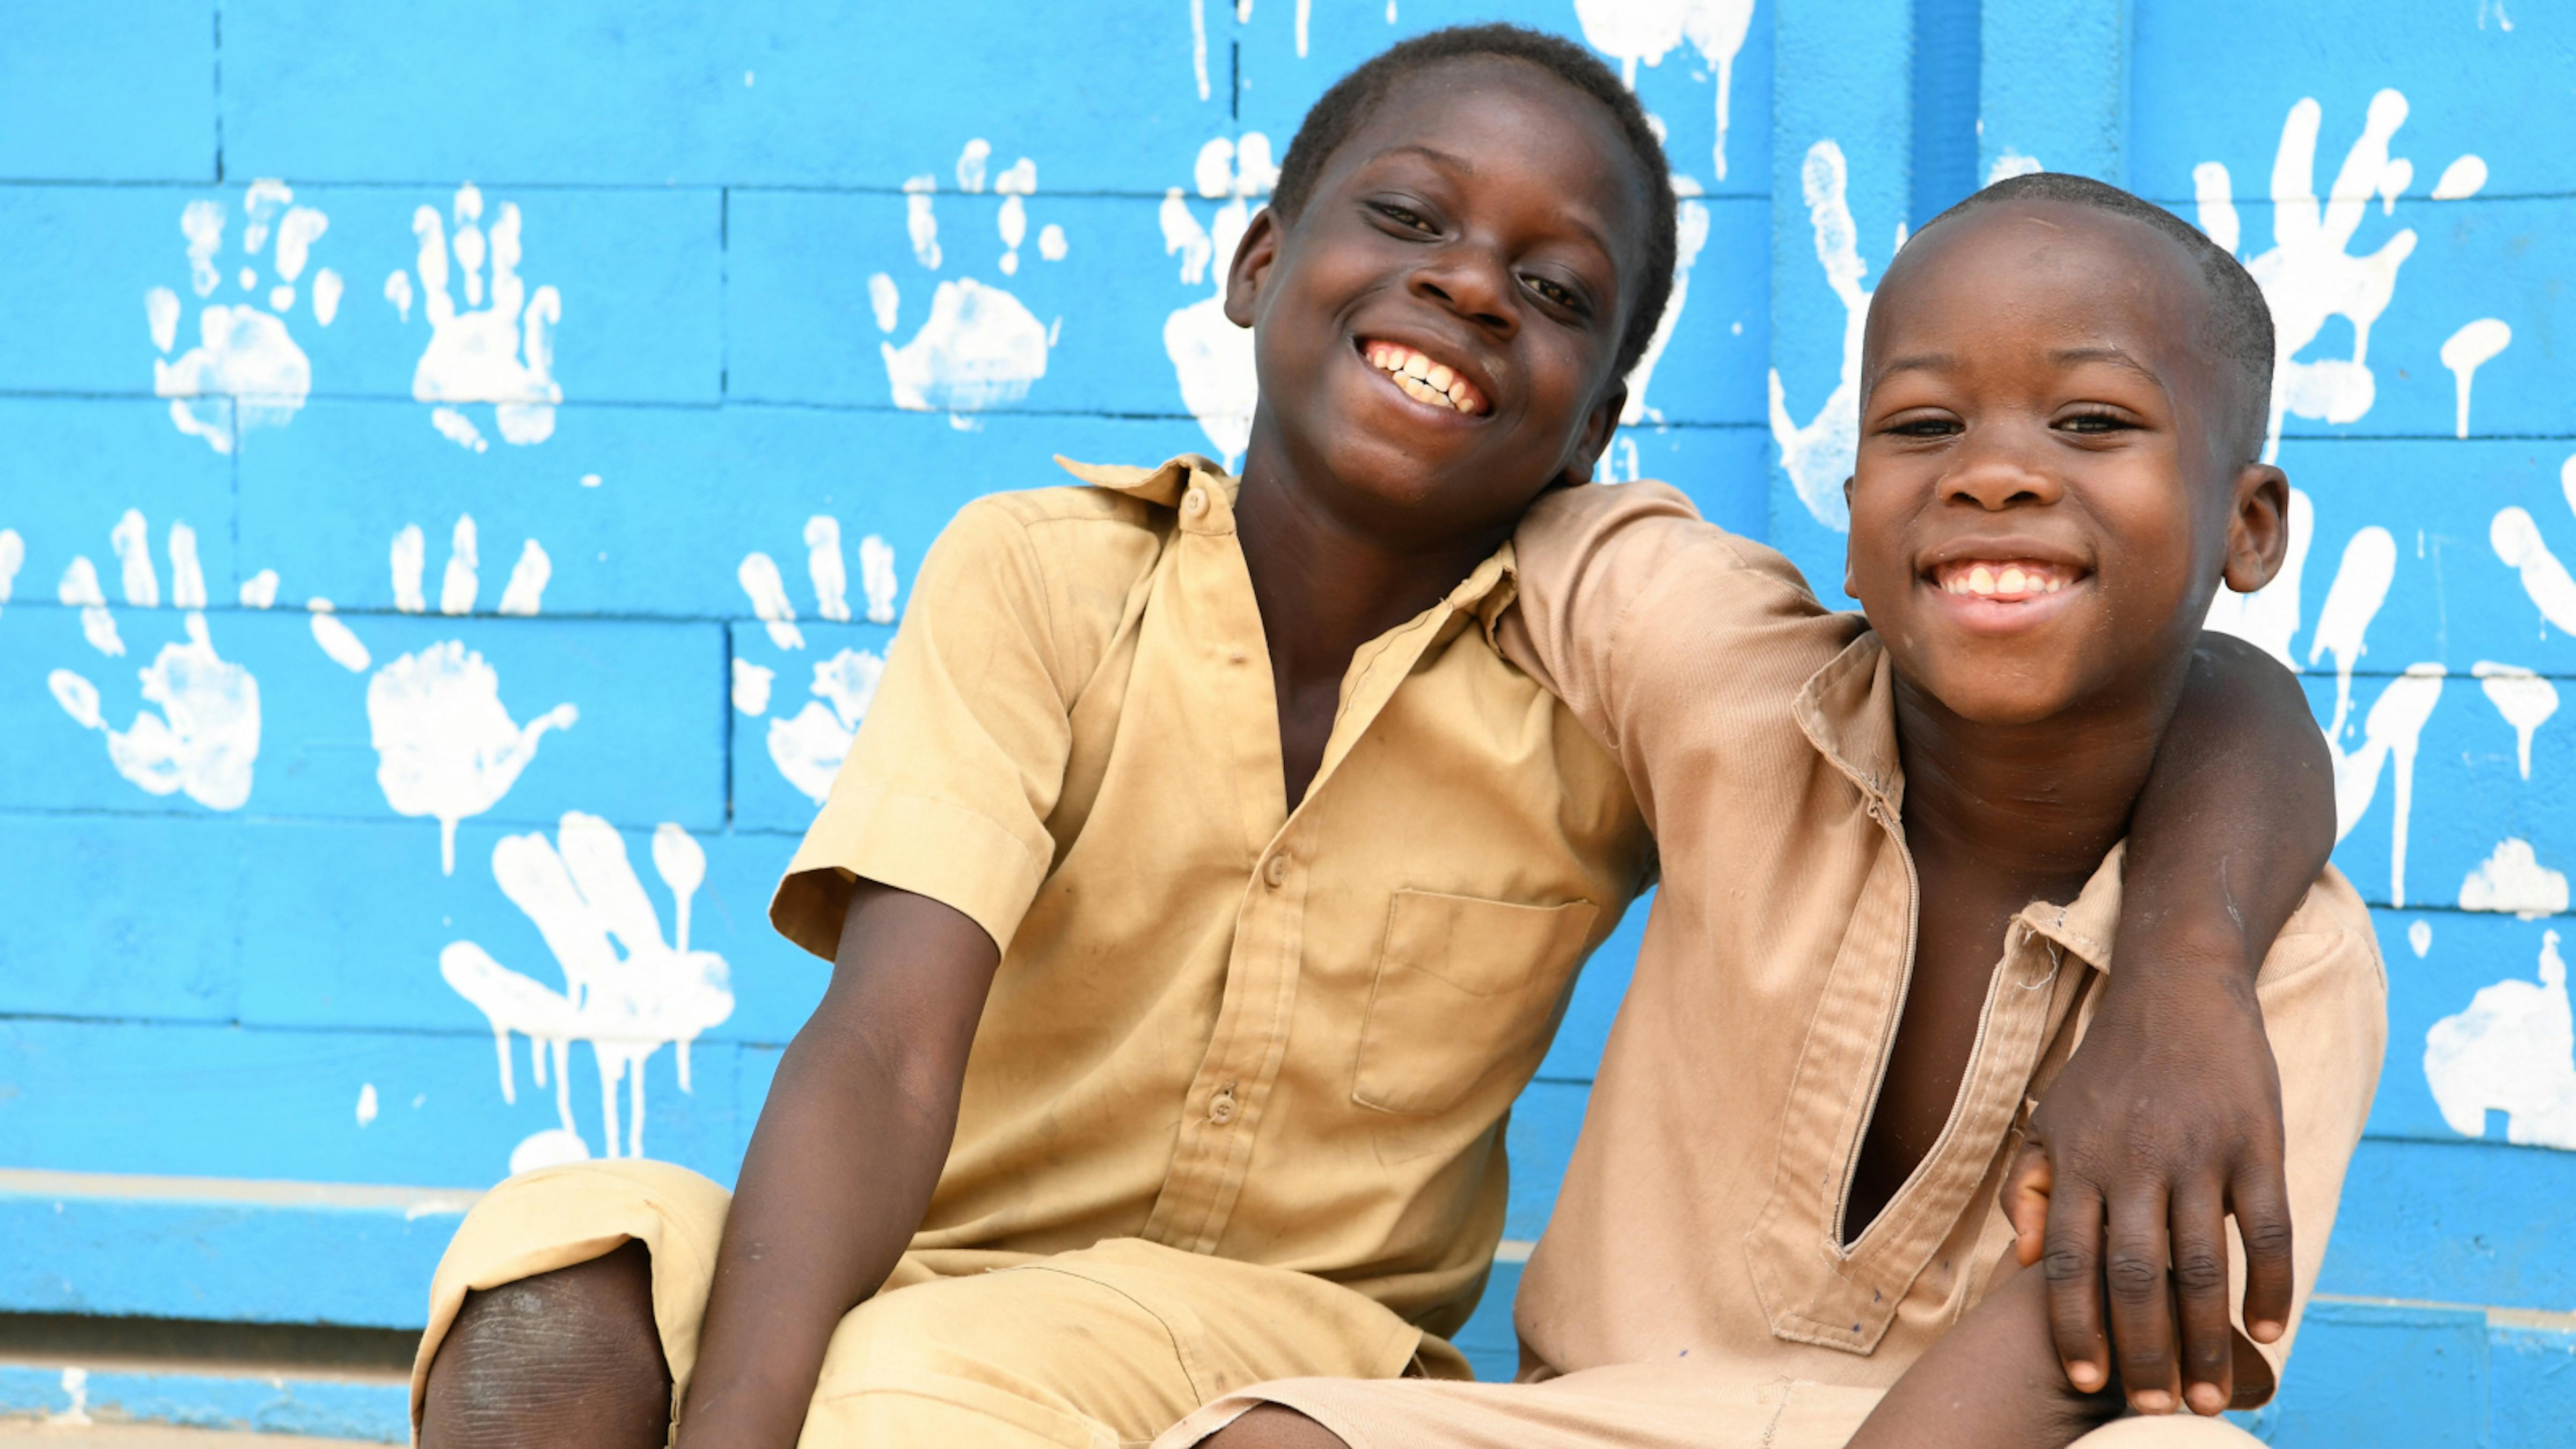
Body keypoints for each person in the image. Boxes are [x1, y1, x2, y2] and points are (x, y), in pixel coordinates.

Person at [409, 24, 2336, 1446]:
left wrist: (2184, 962)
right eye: (1406, 218)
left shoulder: (1602, 647)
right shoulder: (1063, 577)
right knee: (553, 1283)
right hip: (1017, 1273)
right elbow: (886, 1039)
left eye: (1556, 292)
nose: (1468, 284)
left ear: (1593, 432)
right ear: (1258, 265)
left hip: (1326, 1343)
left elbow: (2165, 696)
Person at [1173, 173, 2385, 1449]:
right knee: (1266, 1436)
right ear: (1850, 513)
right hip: (1603, 1421)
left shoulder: (2291, 964)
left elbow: (2074, 1362)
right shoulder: (1725, 673)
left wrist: (2189, 968)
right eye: (1921, 427)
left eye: (2091, 420)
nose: (1995, 474)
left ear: (2248, 529)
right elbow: (1478, 497)